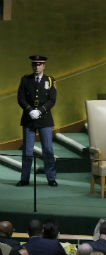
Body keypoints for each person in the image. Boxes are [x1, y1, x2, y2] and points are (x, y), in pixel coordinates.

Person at [16, 55, 57, 187]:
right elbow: (21, 98)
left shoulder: (50, 80)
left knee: (48, 150)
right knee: (27, 151)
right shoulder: (25, 80)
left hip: (44, 119)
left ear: (44, 66)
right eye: (34, 65)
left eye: (39, 65)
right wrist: (29, 110)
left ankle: (51, 178)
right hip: (29, 119)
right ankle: (24, 178)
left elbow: (52, 100)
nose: (37, 67)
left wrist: (40, 110)